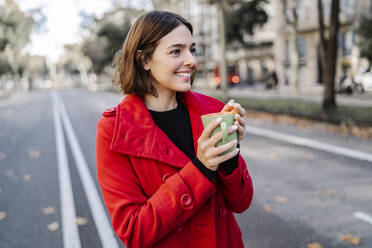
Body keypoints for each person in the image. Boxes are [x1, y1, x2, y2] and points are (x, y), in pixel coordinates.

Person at [96, 10, 253, 248]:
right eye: (176, 51)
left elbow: (240, 203)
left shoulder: (212, 111)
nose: (191, 60)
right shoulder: (114, 129)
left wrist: (230, 153)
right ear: (144, 60)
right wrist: (201, 168)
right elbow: (133, 231)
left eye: (192, 49)